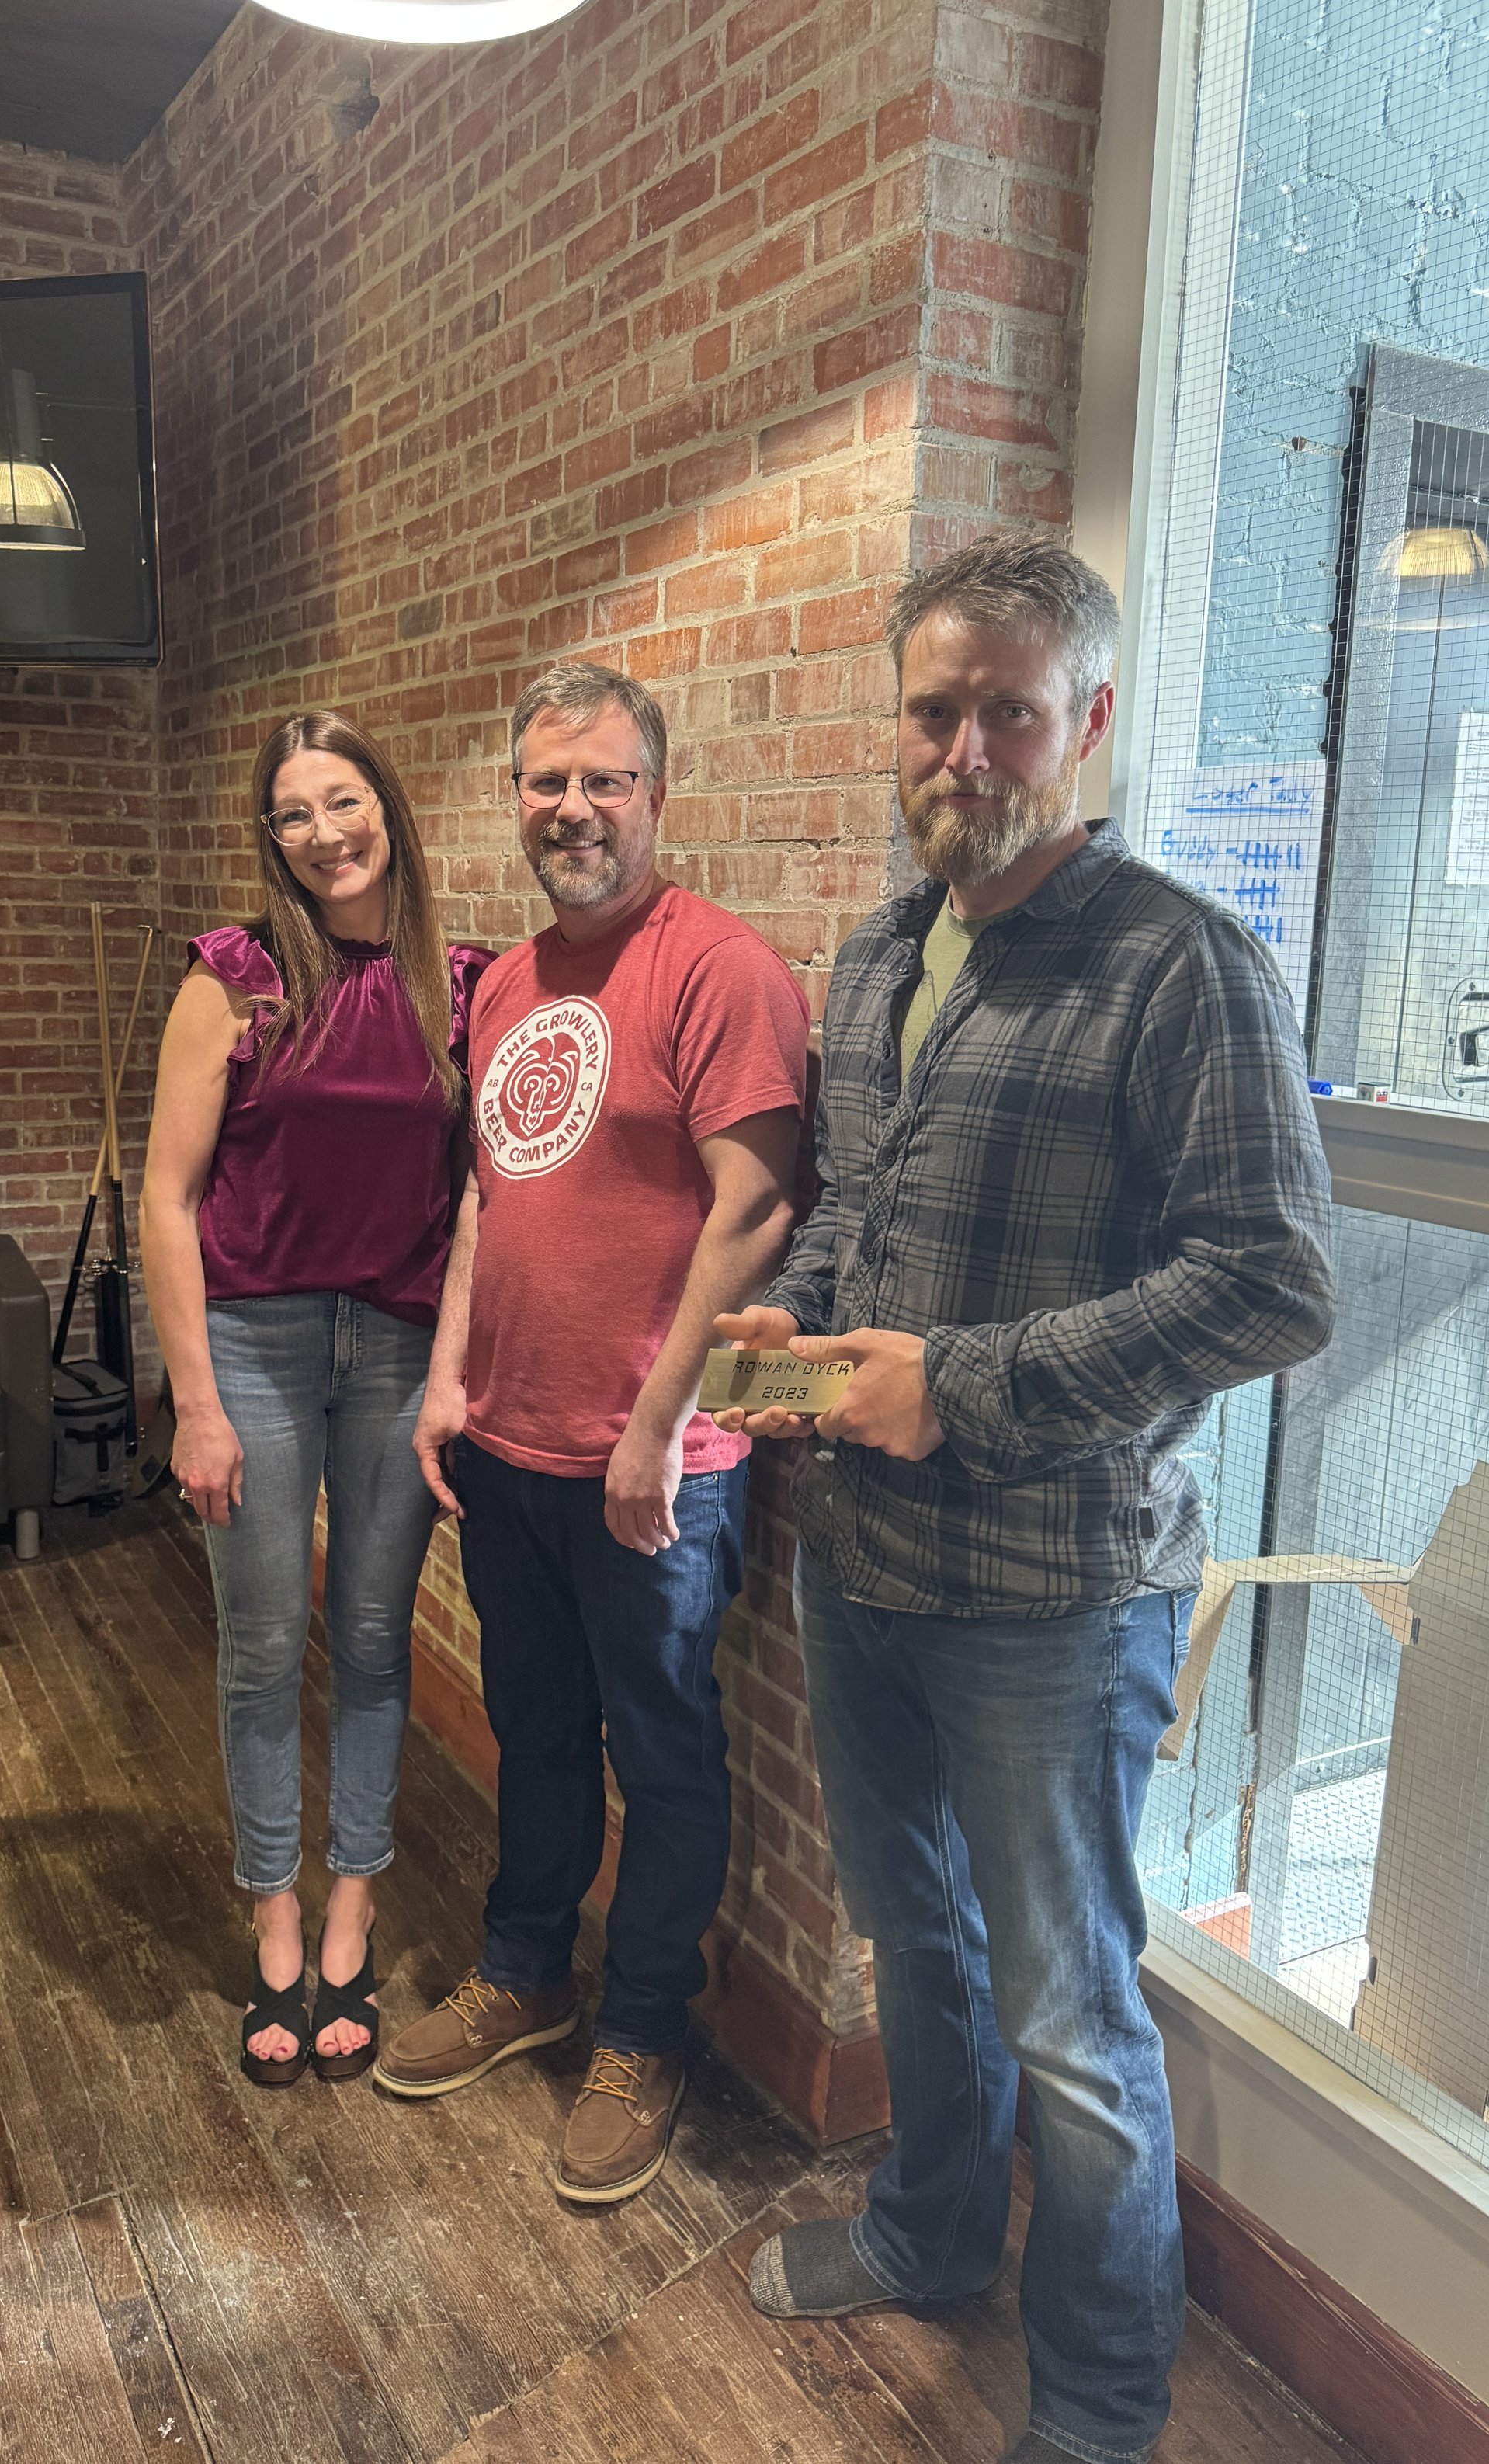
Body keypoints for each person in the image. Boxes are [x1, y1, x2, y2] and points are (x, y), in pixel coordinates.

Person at [713, 534, 1335, 2464]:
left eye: (1010, 711)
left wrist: (953, 1385)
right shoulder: (887, 949)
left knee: (1074, 2015)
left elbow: (1275, 1280)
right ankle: (924, 2229)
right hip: (867, 1566)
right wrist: (791, 1328)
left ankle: (1098, 2404)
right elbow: (865, 1220)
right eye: (935, 707)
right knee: (918, 1939)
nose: (965, 747)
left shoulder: (1180, 964)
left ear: (1088, 724)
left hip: (1062, 1594)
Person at [374, 660, 809, 2206]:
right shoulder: (503, 986)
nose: (571, 807)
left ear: (653, 794)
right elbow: (492, 1193)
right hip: (508, 1444)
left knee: (666, 1753)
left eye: (602, 779)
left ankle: (641, 2030)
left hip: (655, 1472)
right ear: (517, 798)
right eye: (544, 781)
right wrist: (445, 1378)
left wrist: (660, 1418)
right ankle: (521, 1970)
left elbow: (753, 1211)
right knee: (536, 1723)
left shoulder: (716, 969)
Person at [139, 711, 490, 2087]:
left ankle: (355, 1905)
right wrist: (195, 1401)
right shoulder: (233, 979)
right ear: (270, 838)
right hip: (258, 1346)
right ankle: (274, 1919)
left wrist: (455, 1364)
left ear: (387, 808)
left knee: (374, 1637)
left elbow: (480, 1189)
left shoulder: (464, 983)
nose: (324, 832)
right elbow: (168, 1198)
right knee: (261, 1640)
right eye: (293, 814)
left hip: (398, 1348)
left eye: (342, 801)